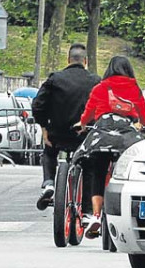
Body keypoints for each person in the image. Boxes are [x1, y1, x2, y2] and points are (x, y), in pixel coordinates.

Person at [76, 56, 145, 236]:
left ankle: (95, 215)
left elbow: (88, 113)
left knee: (98, 172)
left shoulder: (100, 87)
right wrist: (141, 124)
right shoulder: (134, 88)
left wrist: (82, 124)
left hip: (102, 134)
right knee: (127, 170)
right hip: (126, 137)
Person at [32, 44, 101, 210]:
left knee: (49, 153)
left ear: (68, 60)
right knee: (89, 165)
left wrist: (44, 128)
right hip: (85, 135)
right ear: (85, 61)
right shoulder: (96, 81)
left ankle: (49, 183)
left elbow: (38, 105)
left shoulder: (54, 79)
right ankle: (87, 209)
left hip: (58, 134)